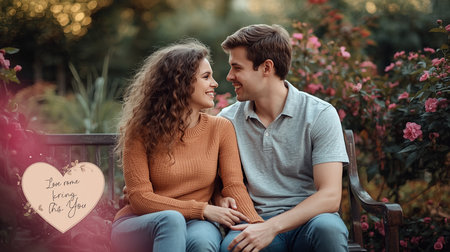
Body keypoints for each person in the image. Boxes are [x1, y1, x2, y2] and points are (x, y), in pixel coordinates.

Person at [110, 39, 263, 252]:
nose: (215, 84)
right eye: (206, 77)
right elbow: (139, 198)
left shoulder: (220, 128)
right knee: (171, 220)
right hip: (141, 223)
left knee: (202, 242)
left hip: (197, 223)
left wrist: (257, 226)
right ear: (180, 83)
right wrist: (203, 209)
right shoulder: (140, 133)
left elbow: (233, 186)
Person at [216, 24, 350, 251]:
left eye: (237, 68)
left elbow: (329, 196)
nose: (229, 76)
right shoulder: (226, 120)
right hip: (253, 221)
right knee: (233, 248)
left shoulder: (319, 114)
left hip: (309, 221)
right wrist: (220, 198)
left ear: (267, 67)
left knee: (329, 228)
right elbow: (215, 181)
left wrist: (272, 227)